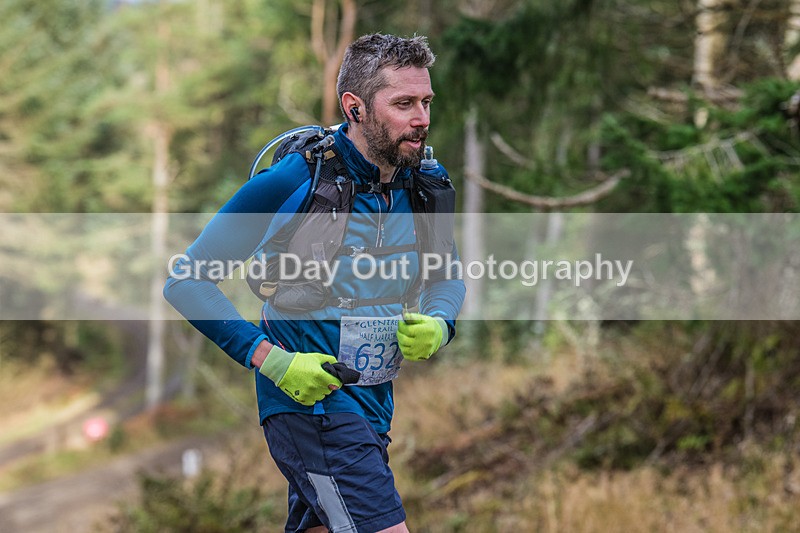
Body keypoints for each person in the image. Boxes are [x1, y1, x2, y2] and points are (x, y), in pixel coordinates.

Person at [164, 33, 465, 533]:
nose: (422, 118)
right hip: (307, 404)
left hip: (373, 405)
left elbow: (447, 275)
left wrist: (440, 322)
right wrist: (273, 361)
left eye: (426, 102)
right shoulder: (293, 182)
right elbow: (186, 280)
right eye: (404, 103)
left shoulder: (425, 184)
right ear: (356, 108)